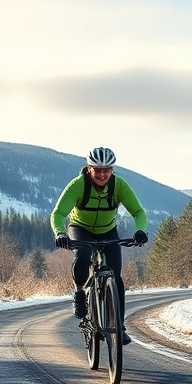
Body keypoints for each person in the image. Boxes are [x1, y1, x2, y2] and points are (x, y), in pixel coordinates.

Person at [51, 147, 148, 345]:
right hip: (81, 228)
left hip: (107, 230)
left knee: (116, 276)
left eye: (107, 170)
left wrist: (141, 231)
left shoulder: (119, 186)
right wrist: (60, 233)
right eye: (98, 170)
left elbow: (138, 212)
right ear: (89, 168)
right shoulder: (78, 185)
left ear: (112, 170)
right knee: (83, 254)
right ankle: (79, 291)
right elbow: (58, 214)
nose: (102, 174)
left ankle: (119, 327)